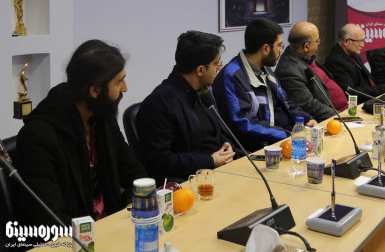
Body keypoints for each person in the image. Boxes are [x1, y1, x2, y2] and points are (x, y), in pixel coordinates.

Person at [14, 40, 146, 226]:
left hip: (109, 226)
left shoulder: (101, 118)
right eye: (119, 82)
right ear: (95, 90)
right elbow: (49, 219)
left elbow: (135, 173)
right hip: (75, 237)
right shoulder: (38, 137)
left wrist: (133, 207)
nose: (125, 88)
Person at [136, 31, 238, 184]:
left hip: (217, 172)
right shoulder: (159, 104)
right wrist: (210, 161)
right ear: (200, 70)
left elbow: (214, 132)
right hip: (187, 182)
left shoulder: (203, 92)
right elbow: (159, 161)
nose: (219, 68)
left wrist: (225, 146)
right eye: (217, 63)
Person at [212, 18, 317, 152]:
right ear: (266, 49)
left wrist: (304, 120)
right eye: (279, 45)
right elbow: (243, 123)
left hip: (281, 139)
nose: (281, 50)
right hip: (258, 148)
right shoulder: (232, 75)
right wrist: (287, 134)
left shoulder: (264, 68)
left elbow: (286, 102)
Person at [275, 21, 347, 120]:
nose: (319, 43)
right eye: (317, 41)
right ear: (306, 46)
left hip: (343, 111)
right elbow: (310, 106)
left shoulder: (304, 57)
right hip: (330, 119)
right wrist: (342, 117)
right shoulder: (288, 71)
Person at [324, 23, 385, 104]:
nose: (363, 45)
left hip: (371, 98)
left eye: (363, 41)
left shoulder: (353, 54)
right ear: (346, 41)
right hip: (360, 105)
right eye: (359, 41)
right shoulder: (335, 62)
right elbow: (351, 93)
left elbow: (369, 82)